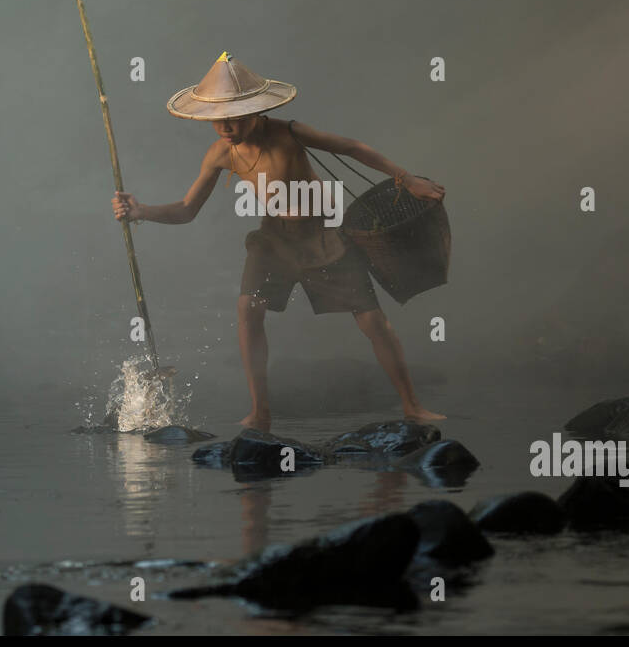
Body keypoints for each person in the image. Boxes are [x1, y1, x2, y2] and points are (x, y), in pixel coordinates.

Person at [111, 52, 446, 431]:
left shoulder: (289, 131)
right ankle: (261, 412)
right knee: (247, 309)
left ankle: (412, 405)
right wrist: (141, 212)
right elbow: (188, 209)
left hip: (323, 235)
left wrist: (407, 179)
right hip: (274, 240)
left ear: (256, 111)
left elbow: (351, 147)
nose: (225, 126)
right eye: (219, 118)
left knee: (373, 321)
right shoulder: (221, 153)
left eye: (235, 117)